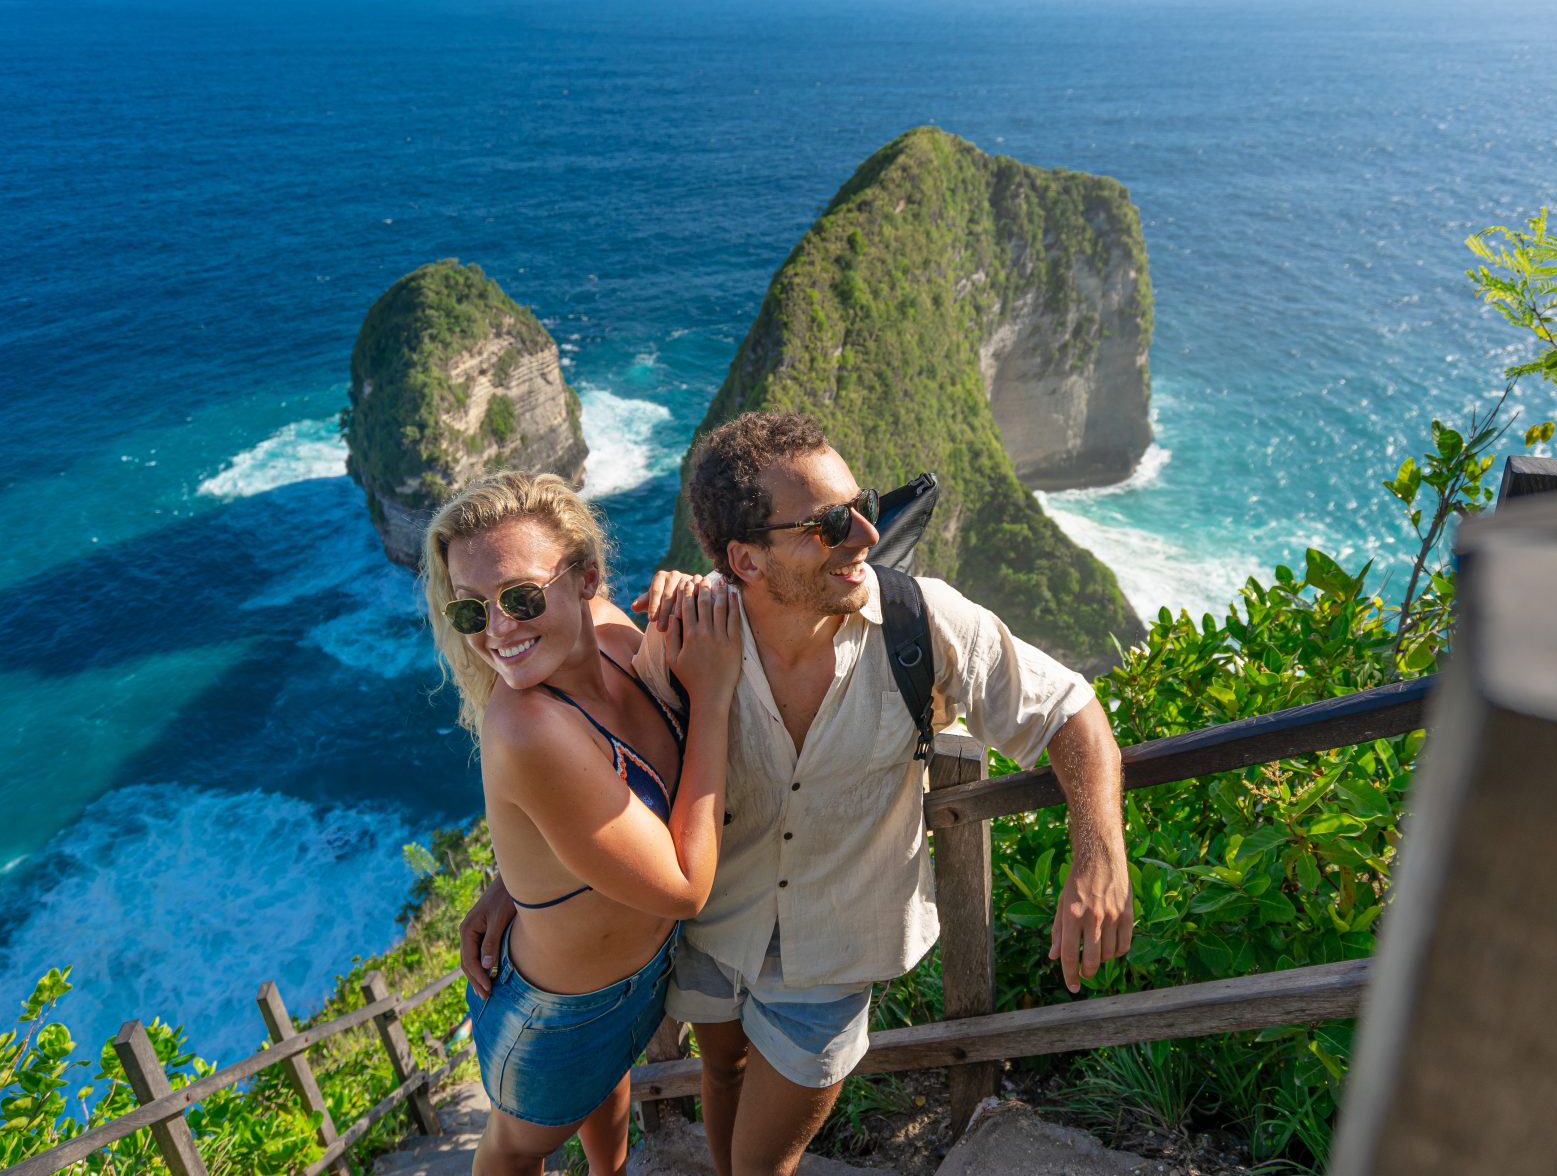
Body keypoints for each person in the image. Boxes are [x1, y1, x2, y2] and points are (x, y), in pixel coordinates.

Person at [463, 416, 1134, 1176]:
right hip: (716, 932)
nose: (865, 536)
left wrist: (1099, 853)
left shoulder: (920, 623)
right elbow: (608, 778)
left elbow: (1068, 709)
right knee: (722, 1072)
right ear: (744, 558)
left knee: (762, 1166)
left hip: (835, 948)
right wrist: (517, 884)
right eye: (826, 525)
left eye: (863, 507)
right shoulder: (683, 633)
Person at [423, 471, 741, 1176]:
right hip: (561, 1015)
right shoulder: (527, 726)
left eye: (522, 597)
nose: (498, 630)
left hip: (645, 971)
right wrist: (712, 697)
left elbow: (592, 825)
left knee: (610, 1096)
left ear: (587, 578)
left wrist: (518, 880)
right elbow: (686, 885)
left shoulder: (615, 638)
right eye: (471, 612)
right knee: (511, 1151)